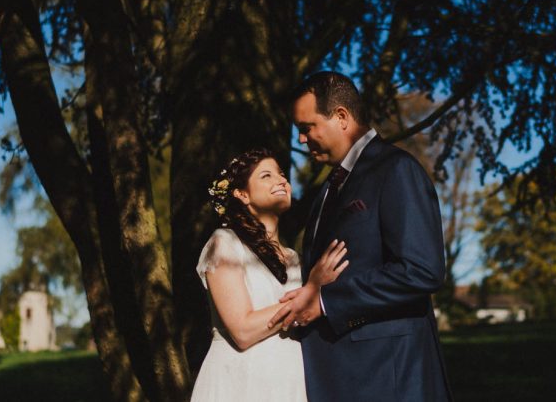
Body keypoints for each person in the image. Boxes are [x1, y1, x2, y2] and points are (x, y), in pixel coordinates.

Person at [270, 71, 453, 401]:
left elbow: (422, 270)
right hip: (339, 374)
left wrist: (325, 302)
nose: (299, 140)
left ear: (341, 117)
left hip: (387, 377)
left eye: (306, 127)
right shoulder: (328, 188)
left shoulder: (395, 169)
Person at [191, 148, 348, 401]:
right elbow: (242, 331)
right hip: (241, 380)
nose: (281, 181)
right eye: (266, 176)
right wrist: (311, 290)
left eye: (282, 174)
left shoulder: (294, 259)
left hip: (289, 381)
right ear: (242, 194)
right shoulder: (225, 243)